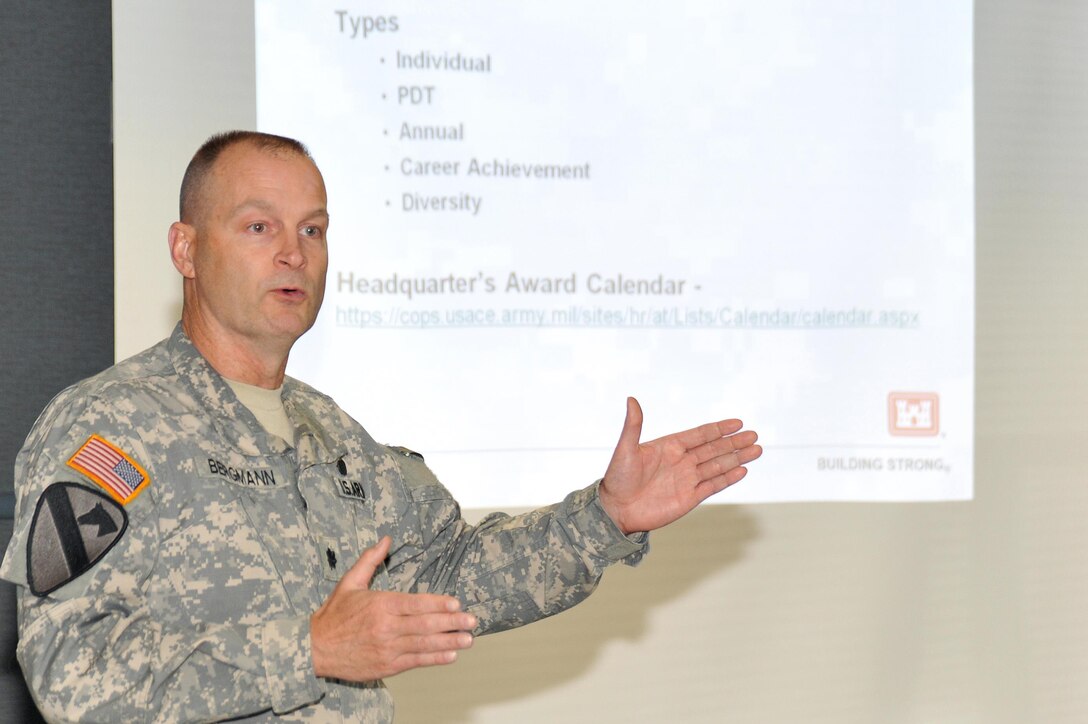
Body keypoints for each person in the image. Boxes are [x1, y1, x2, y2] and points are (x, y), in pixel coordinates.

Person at [0, 131, 762, 722]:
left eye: (314, 229)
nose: (294, 253)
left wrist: (603, 517)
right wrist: (310, 649)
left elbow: (450, 576)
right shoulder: (112, 426)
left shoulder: (335, 436)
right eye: (259, 226)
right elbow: (70, 669)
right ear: (186, 249)